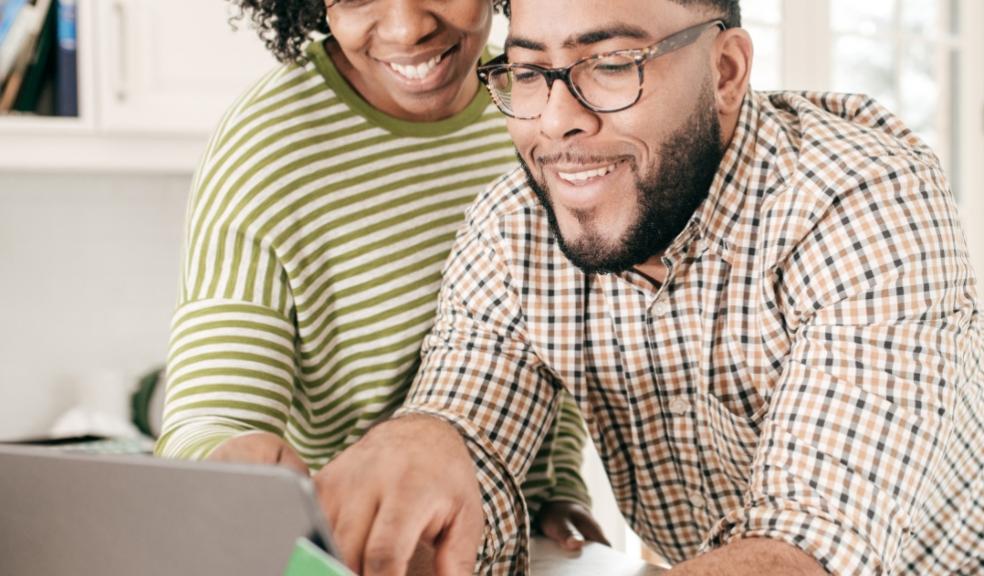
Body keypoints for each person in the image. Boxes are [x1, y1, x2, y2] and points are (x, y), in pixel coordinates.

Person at [314, 0, 984, 574]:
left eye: (610, 65)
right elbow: (466, 447)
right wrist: (427, 442)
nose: (554, 122)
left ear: (726, 72)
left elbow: (806, 549)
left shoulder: (862, 201)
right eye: (526, 72)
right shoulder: (512, 227)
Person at [153, 0, 608, 570]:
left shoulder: (538, 108)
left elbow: (556, 318)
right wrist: (229, 458)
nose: (407, 26)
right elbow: (207, 416)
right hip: (366, 552)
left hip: (514, 545)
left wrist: (557, 483)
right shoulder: (267, 146)